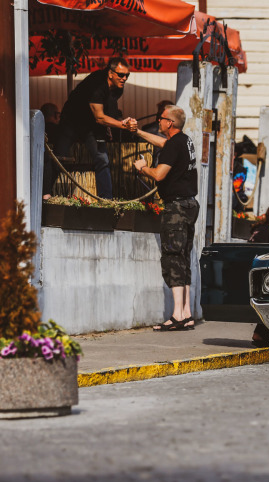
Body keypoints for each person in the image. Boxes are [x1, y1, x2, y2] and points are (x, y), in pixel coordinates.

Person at [133, 105, 200, 331]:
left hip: (177, 207)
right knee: (183, 257)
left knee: (172, 257)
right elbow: (164, 144)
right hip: (190, 204)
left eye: (160, 119)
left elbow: (160, 174)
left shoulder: (174, 144)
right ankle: (187, 313)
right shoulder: (184, 140)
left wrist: (143, 168)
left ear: (169, 123)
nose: (158, 122)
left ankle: (177, 314)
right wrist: (139, 133)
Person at [55, 57, 138, 199]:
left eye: (127, 75)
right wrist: (123, 125)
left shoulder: (118, 87)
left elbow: (109, 110)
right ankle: (44, 194)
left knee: (102, 160)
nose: (124, 79)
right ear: (110, 73)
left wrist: (116, 124)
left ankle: (106, 200)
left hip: (91, 125)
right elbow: (100, 117)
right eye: (121, 75)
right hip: (72, 120)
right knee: (57, 157)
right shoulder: (97, 85)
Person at [41, 103, 60, 200]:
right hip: (50, 161)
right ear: (56, 114)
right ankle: (46, 193)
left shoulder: (39, 128)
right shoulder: (57, 130)